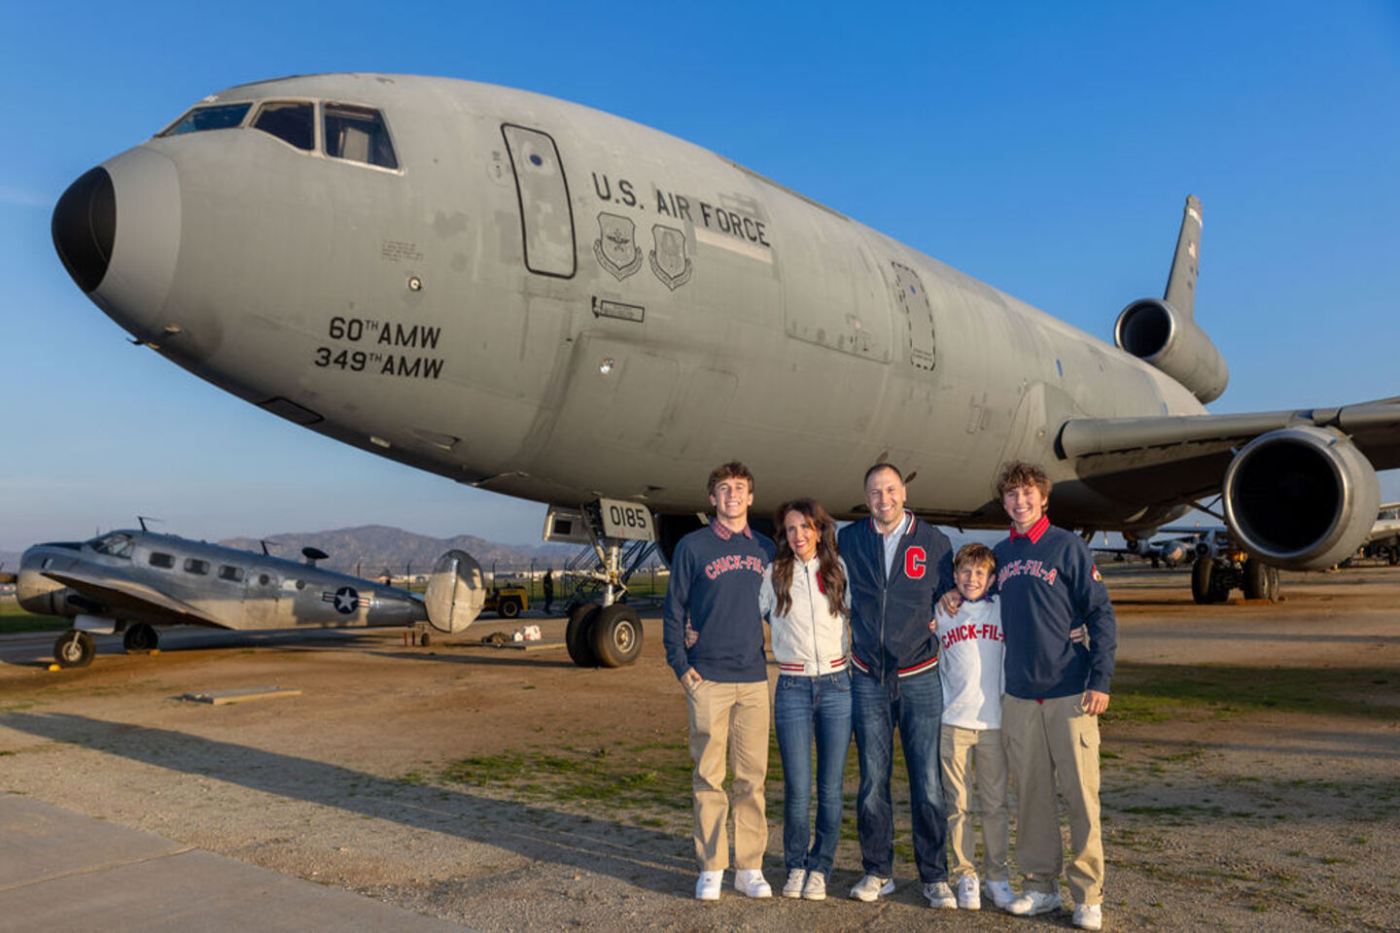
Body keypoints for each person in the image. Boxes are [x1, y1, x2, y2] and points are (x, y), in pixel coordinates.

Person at [991, 461, 1116, 932]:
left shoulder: (1068, 547)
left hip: (1070, 693)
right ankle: (1041, 886)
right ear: (1003, 502)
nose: (1019, 502)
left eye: (1027, 494)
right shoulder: (1001, 554)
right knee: (1033, 797)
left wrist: (1100, 679)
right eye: (1010, 495)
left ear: (1043, 498)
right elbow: (968, 587)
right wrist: (947, 598)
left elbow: (1100, 615)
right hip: (1020, 696)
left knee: (1082, 798)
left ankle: (1088, 894)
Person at [836, 462, 956, 908]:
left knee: (927, 781)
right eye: (874, 492)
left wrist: (951, 602)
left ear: (903, 493)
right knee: (871, 782)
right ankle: (877, 871)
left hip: (920, 676)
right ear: (866, 497)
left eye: (890, 490)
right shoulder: (849, 540)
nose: (883, 499)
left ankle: (934, 875)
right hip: (868, 675)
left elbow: (959, 591)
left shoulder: (934, 541)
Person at [662, 461, 777, 901]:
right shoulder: (693, 547)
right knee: (709, 776)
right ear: (712, 499)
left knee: (752, 778)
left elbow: (776, 608)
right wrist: (680, 664)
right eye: (724, 488)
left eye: (740, 488)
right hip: (707, 677)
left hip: (752, 678)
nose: (732, 495)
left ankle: (749, 866)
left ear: (750, 498)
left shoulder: (765, 548)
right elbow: (674, 610)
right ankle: (711, 865)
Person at [760, 499, 852, 902]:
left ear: (819, 530)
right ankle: (795, 864)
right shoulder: (774, 573)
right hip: (793, 688)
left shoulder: (838, 571)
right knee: (798, 787)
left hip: (836, 686)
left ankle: (821, 867)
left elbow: (856, 617)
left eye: (806, 527)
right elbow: (751, 615)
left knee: (830, 788)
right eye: (791, 529)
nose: (799, 535)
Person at [931, 543, 1015, 912]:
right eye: (965, 572)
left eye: (980, 573)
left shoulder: (1000, 611)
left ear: (992, 579)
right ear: (954, 576)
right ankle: (966, 874)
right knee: (958, 805)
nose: (971, 579)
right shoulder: (944, 610)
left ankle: (997, 875)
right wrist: (945, 598)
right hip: (953, 722)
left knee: (995, 805)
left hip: (993, 724)